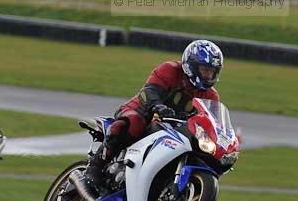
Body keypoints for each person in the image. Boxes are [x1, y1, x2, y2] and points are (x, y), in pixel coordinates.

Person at [84, 39, 223, 192]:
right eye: (205, 70)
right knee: (134, 122)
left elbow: (212, 122)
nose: (209, 75)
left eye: (212, 72)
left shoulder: (211, 96)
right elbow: (149, 91)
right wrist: (158, 106)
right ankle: (95, 166)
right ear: (192, 65)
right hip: (143, 111)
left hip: (175, 131)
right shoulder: (170, 70)